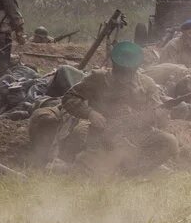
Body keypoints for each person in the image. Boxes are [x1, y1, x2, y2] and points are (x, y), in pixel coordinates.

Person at [59, 41, 177, 176]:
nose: (124, 78)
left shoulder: (147, 84)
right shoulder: (98, 78)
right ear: (114, 66)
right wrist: (90, 113)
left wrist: (161, 115)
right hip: (104, 137)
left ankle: (132, 172)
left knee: (169, 142)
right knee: (89, 175)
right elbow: (69, 97)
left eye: (128, 73)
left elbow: (159, 117)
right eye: (121, 72)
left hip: (139, 135)